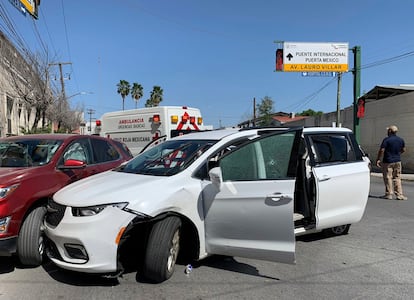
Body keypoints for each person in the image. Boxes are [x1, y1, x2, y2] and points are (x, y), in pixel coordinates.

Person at [376, 125, 407, 200]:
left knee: (388, 177)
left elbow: (382, 150)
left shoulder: (386, 140)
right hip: (397, 161)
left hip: (388, 161)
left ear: (389, 131)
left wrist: (378, 159)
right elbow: (403, 150)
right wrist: (397, 154)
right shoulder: (401, 140)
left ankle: (389, 194)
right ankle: (399, 194)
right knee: (397, 177)